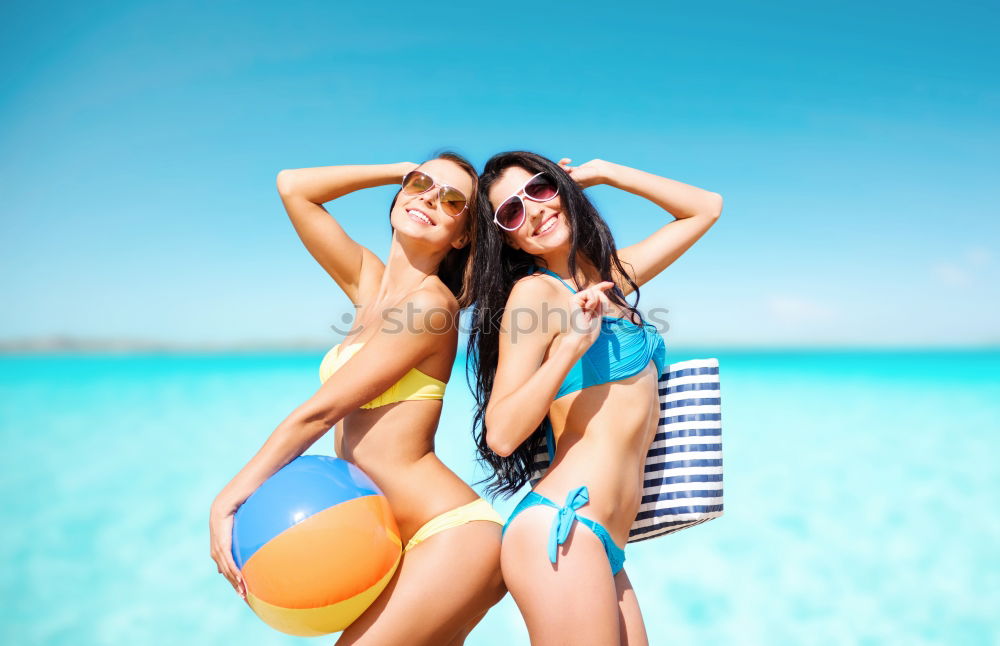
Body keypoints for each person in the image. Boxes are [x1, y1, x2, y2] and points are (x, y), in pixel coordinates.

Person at [209, 154, 505, 645]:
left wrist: (227, 500)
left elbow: (322, 412)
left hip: (449, 535)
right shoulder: (370, 286)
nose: (430, 197)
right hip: (394, 542)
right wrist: (397, 171)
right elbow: (293, 187)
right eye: (421, 184)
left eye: (452, 200)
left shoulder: (432, 307)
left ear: (462, 235)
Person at [467, 151, 722, 645]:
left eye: (540, 189)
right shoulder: (535, 295)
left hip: (604, 543)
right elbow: (500, 433)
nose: (534, 211)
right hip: (565, 526)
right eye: (512, 212)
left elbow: (705, 208)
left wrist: (604, 172)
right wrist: (569, 347)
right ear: (508, 235)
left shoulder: (614, 277)